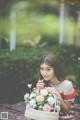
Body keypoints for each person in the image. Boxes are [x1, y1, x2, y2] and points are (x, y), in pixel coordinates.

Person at [36, 53, 76, 120]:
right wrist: (39, 91)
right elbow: (37, 106)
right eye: (42, 69)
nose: (44, 73)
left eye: (48, 69)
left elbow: (67, 111)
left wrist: (57, 95)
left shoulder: (66, 85)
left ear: (56, 68)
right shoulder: (42, 83)